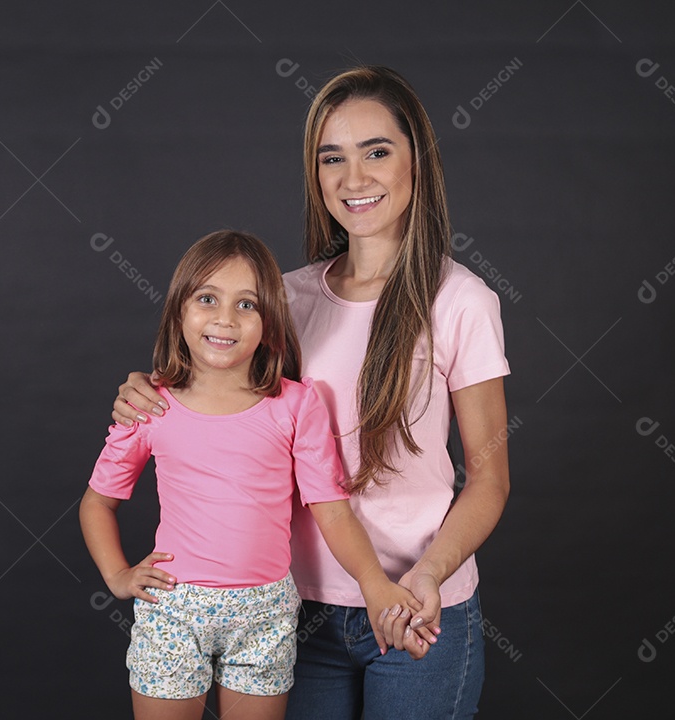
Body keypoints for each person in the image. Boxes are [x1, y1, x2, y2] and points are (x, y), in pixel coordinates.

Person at [112, 66, 511, 719]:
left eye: (376, 151)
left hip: (416, 611)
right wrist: (148, 391)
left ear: (418, 161)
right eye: (333, 158)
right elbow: (214, 399)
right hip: (292, 613)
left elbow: (489, 477)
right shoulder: (285, 299)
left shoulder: (462, 301)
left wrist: (427, 576)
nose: (354, 178)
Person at [81, 230, 421, 720]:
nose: (224, 318)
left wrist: (376, 585)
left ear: (269, 323)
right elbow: (98, 502)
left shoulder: (296, 405)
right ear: (178, 311)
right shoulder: (151, 406)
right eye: (206, 299)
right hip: (174, 610)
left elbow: (333, 513)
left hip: (265, 613)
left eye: (247, 305)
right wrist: (117, 575)